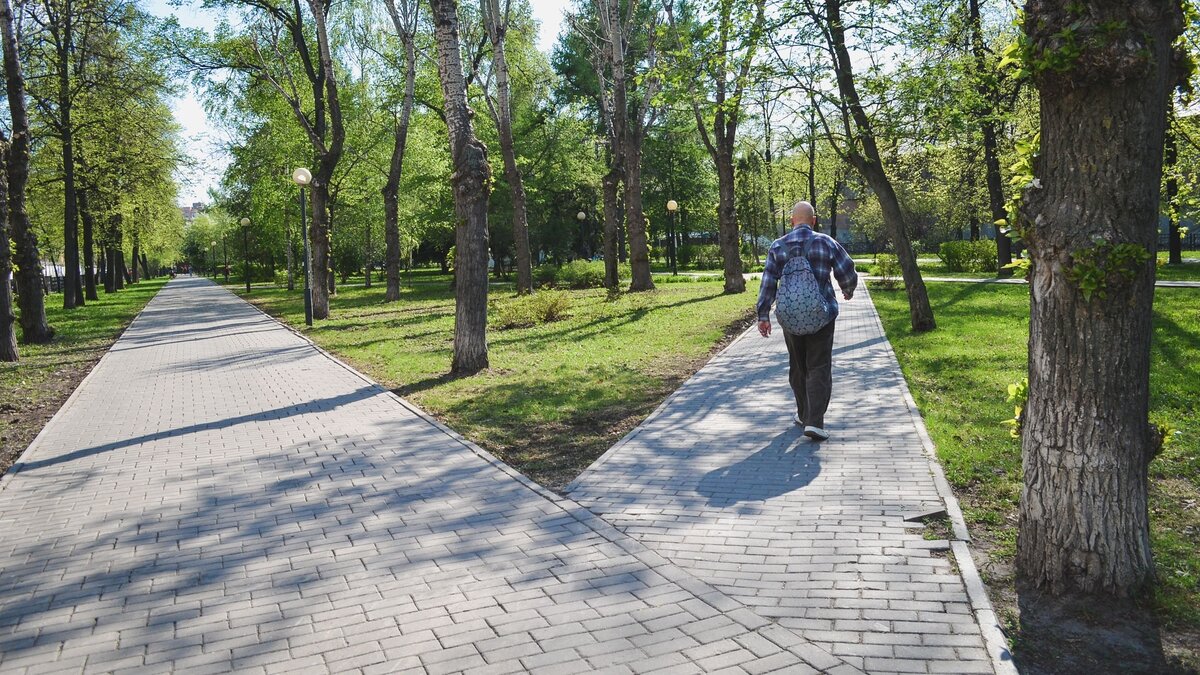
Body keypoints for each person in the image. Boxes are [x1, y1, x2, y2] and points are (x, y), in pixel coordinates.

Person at [756, 201, 858, 441]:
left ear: (792, 221)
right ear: (813, 220)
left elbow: (768, 282)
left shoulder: (778, 246)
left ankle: (803, 414)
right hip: (821, 314)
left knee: (798, 366)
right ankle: (815, 421)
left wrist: (763, 315)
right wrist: (848, 289)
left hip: (790, 317)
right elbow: (847, 268)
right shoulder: (825, 241)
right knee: (819, 365)